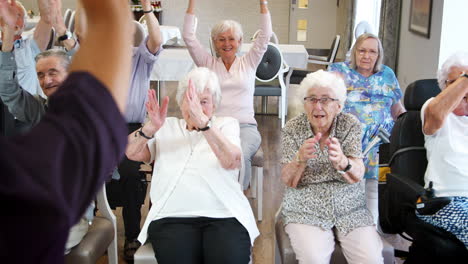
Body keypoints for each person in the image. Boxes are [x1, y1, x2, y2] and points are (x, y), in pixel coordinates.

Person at [0, 0, 133, 261]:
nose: (46, 80)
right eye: (40, 75)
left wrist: (61, 28)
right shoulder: (37, 109)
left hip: (71, 214)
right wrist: (7, 38)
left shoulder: (82, 125)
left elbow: (94, 82)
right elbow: (8, 91)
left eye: (52, 72)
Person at [126, 67, 259, 264]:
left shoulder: (225, 124)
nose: (195, 107)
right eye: (190, 100)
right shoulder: (167, 126)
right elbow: (130, 152)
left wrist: (205, 125)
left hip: (224, 215)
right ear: (181, 104)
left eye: (203, 101)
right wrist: (149, 128)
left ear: (215, 105)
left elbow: (233, 161)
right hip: (172, 216)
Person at [63, 1, 163, 259]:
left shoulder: (139, 58)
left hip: (130, 128)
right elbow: (73, 43)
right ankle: (90, 223)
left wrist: (148, 9)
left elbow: (157, 38)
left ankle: (131, 235)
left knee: (130, 172)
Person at [280, 70, 383, 263]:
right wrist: (300, 160)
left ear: (338, 105)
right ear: (305, 103)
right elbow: (287, 179)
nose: (318, 106)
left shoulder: (350, 125)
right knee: (313, 259)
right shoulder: (293, 128)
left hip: (350, 207)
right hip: (306, 206)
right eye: (312, 99)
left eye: (325, 100)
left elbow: (358, 173)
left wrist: (343, 163)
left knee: (371, 259)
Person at [182, 0, 272, 191]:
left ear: (239, 42)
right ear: (214, 43)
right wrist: (192, 4)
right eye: (221, 39)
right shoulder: (207, 63)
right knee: (205, 156)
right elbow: (188, 37)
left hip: (245, 127)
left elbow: (265, 36)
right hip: (215, 125)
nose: (227, 44)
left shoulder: (249, 62)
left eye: (231, 39)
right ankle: (212, 196)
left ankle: (238, 198)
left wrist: (263, 4)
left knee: (240, 153)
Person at [328, 33, 406, 222]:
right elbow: (323, 103)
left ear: (378, 55)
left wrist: (408, 126)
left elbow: (397, 109)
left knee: (373, 188)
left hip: (382, 141)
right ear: (354, 52)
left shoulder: (386, 74)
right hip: (348, 139)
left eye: (372, 51)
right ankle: (344, 222)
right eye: (362, 50)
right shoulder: (339, 71)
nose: (366, 56)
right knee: (349, 186)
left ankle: (370, 224)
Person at [418, 52, 468, 248]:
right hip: (444, 201)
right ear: (444, 86)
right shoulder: (431, 108)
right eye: (454, 83)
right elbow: (437, 115)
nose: (461, 90)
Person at [0, 0, 55, 97]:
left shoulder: (31, 45)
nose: (13, 19)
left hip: (23, 109)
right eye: (8, 14)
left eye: (18, 15)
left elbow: (47, 18)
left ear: (25, 24)